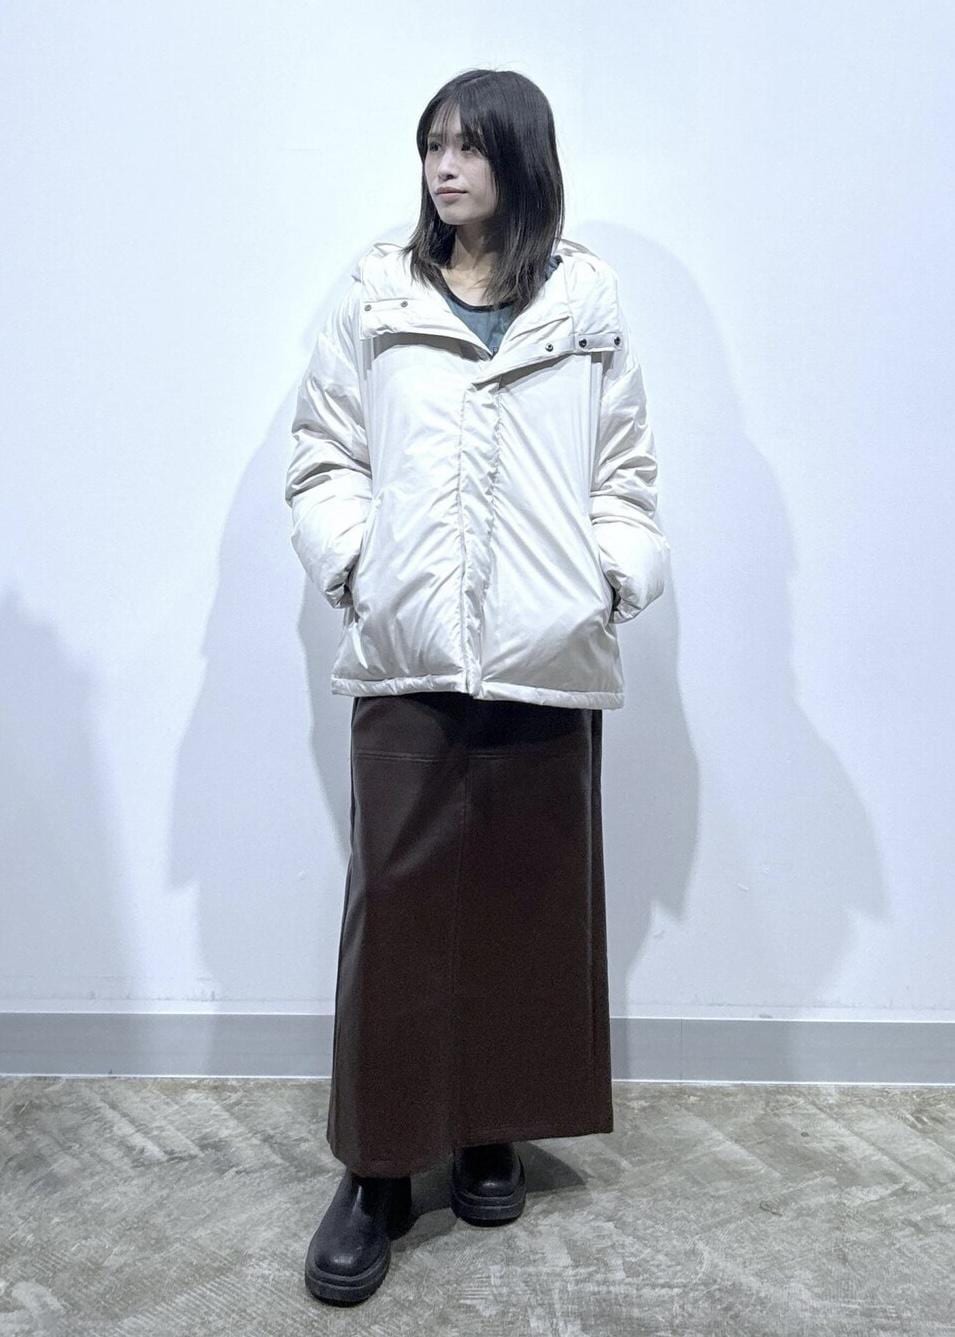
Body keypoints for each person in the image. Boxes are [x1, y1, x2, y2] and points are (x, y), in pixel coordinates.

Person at [285, 68, 670, 1306]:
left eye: (469, 147)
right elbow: (325, 454)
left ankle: (492, 1125)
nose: (444, 168)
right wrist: (360, 565)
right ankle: (378, 1170)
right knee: (396, 909)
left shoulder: (585, 302)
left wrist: (611, 576)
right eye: (432, 146)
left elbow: (624, 467)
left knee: (525, 903)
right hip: (411, 649)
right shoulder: (378, 293)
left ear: (521, 159)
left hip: (544, 651)